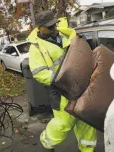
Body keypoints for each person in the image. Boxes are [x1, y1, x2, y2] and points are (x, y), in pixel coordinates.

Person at [27, 10, 97, 152]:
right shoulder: (36, 47)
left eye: (54, 25)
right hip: (60, 89)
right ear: (39, 28)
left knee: (85, 119)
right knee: (63, 123)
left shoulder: (68, 35)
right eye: (49, 27)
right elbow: (39, 73)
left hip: (81, 84)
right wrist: (62, 78)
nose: (54, 29)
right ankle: (47, 143)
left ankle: (87, 149)